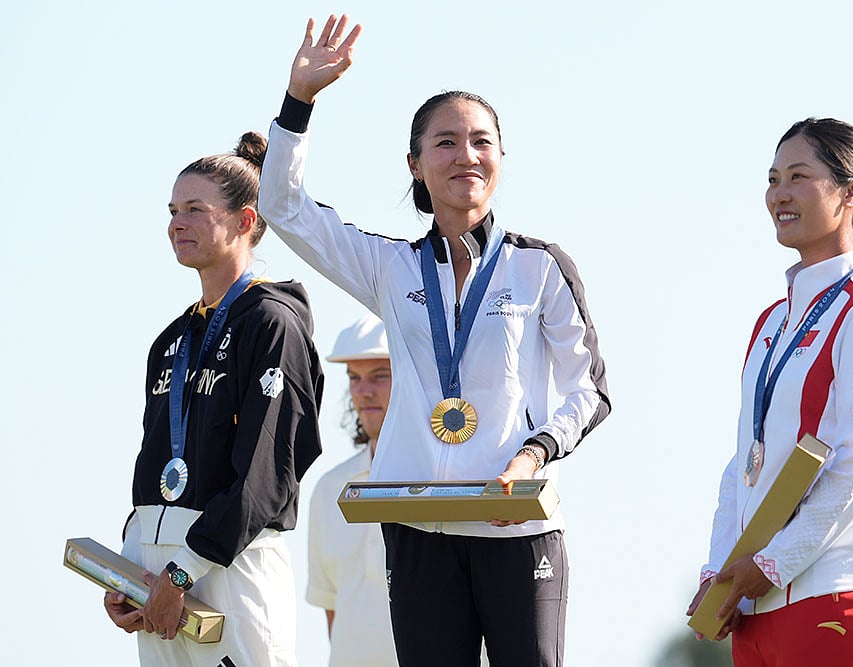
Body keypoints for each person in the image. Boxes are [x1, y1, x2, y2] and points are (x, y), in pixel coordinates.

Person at [258, 14, 611, 667]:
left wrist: (531, 455)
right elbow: (282, 206)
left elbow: (589, 391)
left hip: (518, 526)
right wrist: (298, 101)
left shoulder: (539, 267)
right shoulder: (389, 267)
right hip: (418, 530)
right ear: (416, 164)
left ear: (500, 159)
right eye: (445, 142)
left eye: (481, 140)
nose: (465, 155)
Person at [687, 117, 853, 666]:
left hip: (837, 589)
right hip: (756, 600)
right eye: (773, 179)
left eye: (798, 177)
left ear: (852, 192)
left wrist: (773, 563)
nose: (779, 194)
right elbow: (744, 465)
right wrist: (720, 568)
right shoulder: (772, 321)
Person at [102, 132, 325, 666]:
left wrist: (183, 570)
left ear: (245, 221)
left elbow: (266, 474)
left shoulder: (272, 324)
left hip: (226, 570)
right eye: (173, 210)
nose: (177, 223)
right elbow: (151, 463)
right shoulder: (171, 340)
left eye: (196, 210)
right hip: (157, 580)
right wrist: (127, 572)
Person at [307, 313, 398, 666]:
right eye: (354, 378)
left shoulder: (447, 484)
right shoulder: (330, 489)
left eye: (381, 376)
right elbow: (331, 605)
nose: (364, 391)